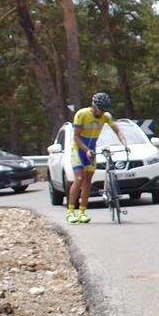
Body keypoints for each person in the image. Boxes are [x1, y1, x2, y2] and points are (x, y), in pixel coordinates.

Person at [67, 92, 128, 224]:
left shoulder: (106, 116)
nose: (102, 112)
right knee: (79, 178)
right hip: (78, 149)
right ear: (94, 106)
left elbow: (117, 130)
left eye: (104, 110)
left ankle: (82, 212)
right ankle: (70, 212)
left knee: (88, 181)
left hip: (91, 150)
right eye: (101, 109)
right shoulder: (82, 114)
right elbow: (76, 137)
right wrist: (86, 150)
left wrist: (124, 143)